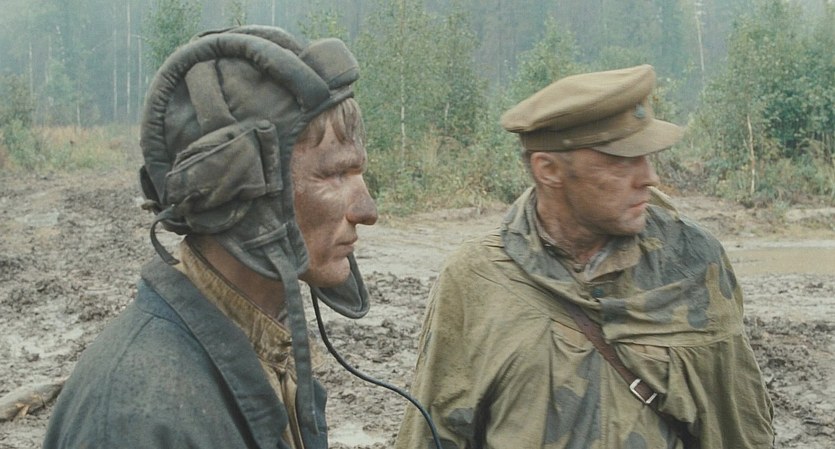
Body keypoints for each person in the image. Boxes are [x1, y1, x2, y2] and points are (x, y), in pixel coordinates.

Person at [394, 65, 774, 449]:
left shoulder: (692, 262)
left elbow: (739, 426)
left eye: (646, 156)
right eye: (622, 160)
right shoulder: (476, 278)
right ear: (549, 170)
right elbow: (432, 432)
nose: (649, 177)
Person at [43, 25, 377, 449]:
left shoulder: (265, 345)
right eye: (334, 174)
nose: (367, 211)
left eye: (357, 171)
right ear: (234, 190)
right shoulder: (136, 421)